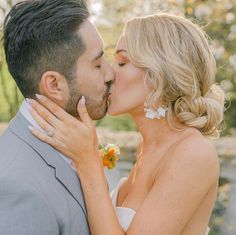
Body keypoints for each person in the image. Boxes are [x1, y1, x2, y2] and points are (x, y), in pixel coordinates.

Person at [29, 13, 225, 235]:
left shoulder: (193, 152)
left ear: (159, 72)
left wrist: (89, 161)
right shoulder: (146, 150)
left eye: (122, 62)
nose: (110, 73)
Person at [0, 0, 114, 234]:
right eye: (97, 64)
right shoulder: (15, 186)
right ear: (54, 85)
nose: (110, 73)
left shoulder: (76, 143)